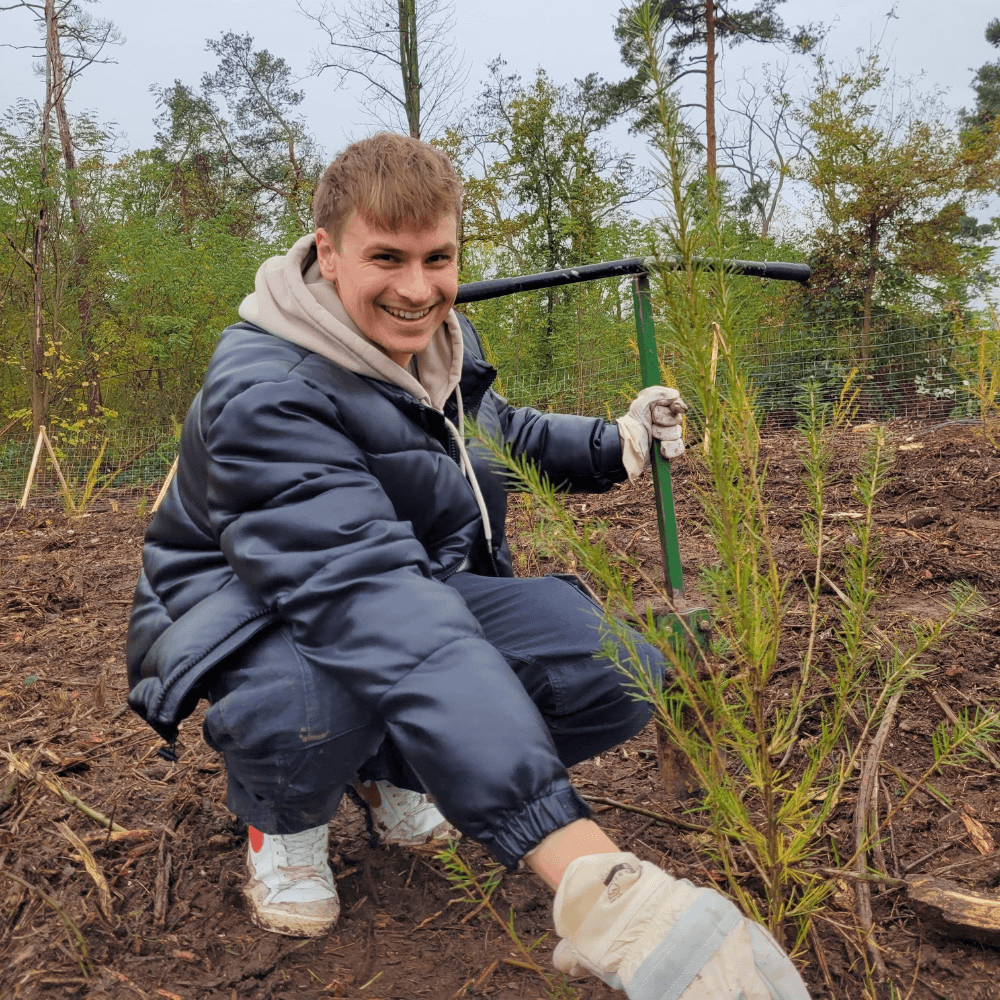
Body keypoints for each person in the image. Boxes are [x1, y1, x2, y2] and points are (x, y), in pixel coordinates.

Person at [126, 133, 809, 999]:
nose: (417, 289)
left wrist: (620, 440)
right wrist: (593, 877)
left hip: (401, 585)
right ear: (327, 254)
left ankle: (387, 773)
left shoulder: (438, 338)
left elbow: (494, 435)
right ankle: (286, 822)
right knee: (316, 693)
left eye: (437, 257)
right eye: (386, 257)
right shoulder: (267, 388)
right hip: (249, 610)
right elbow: (371, 607)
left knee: (615, 666)